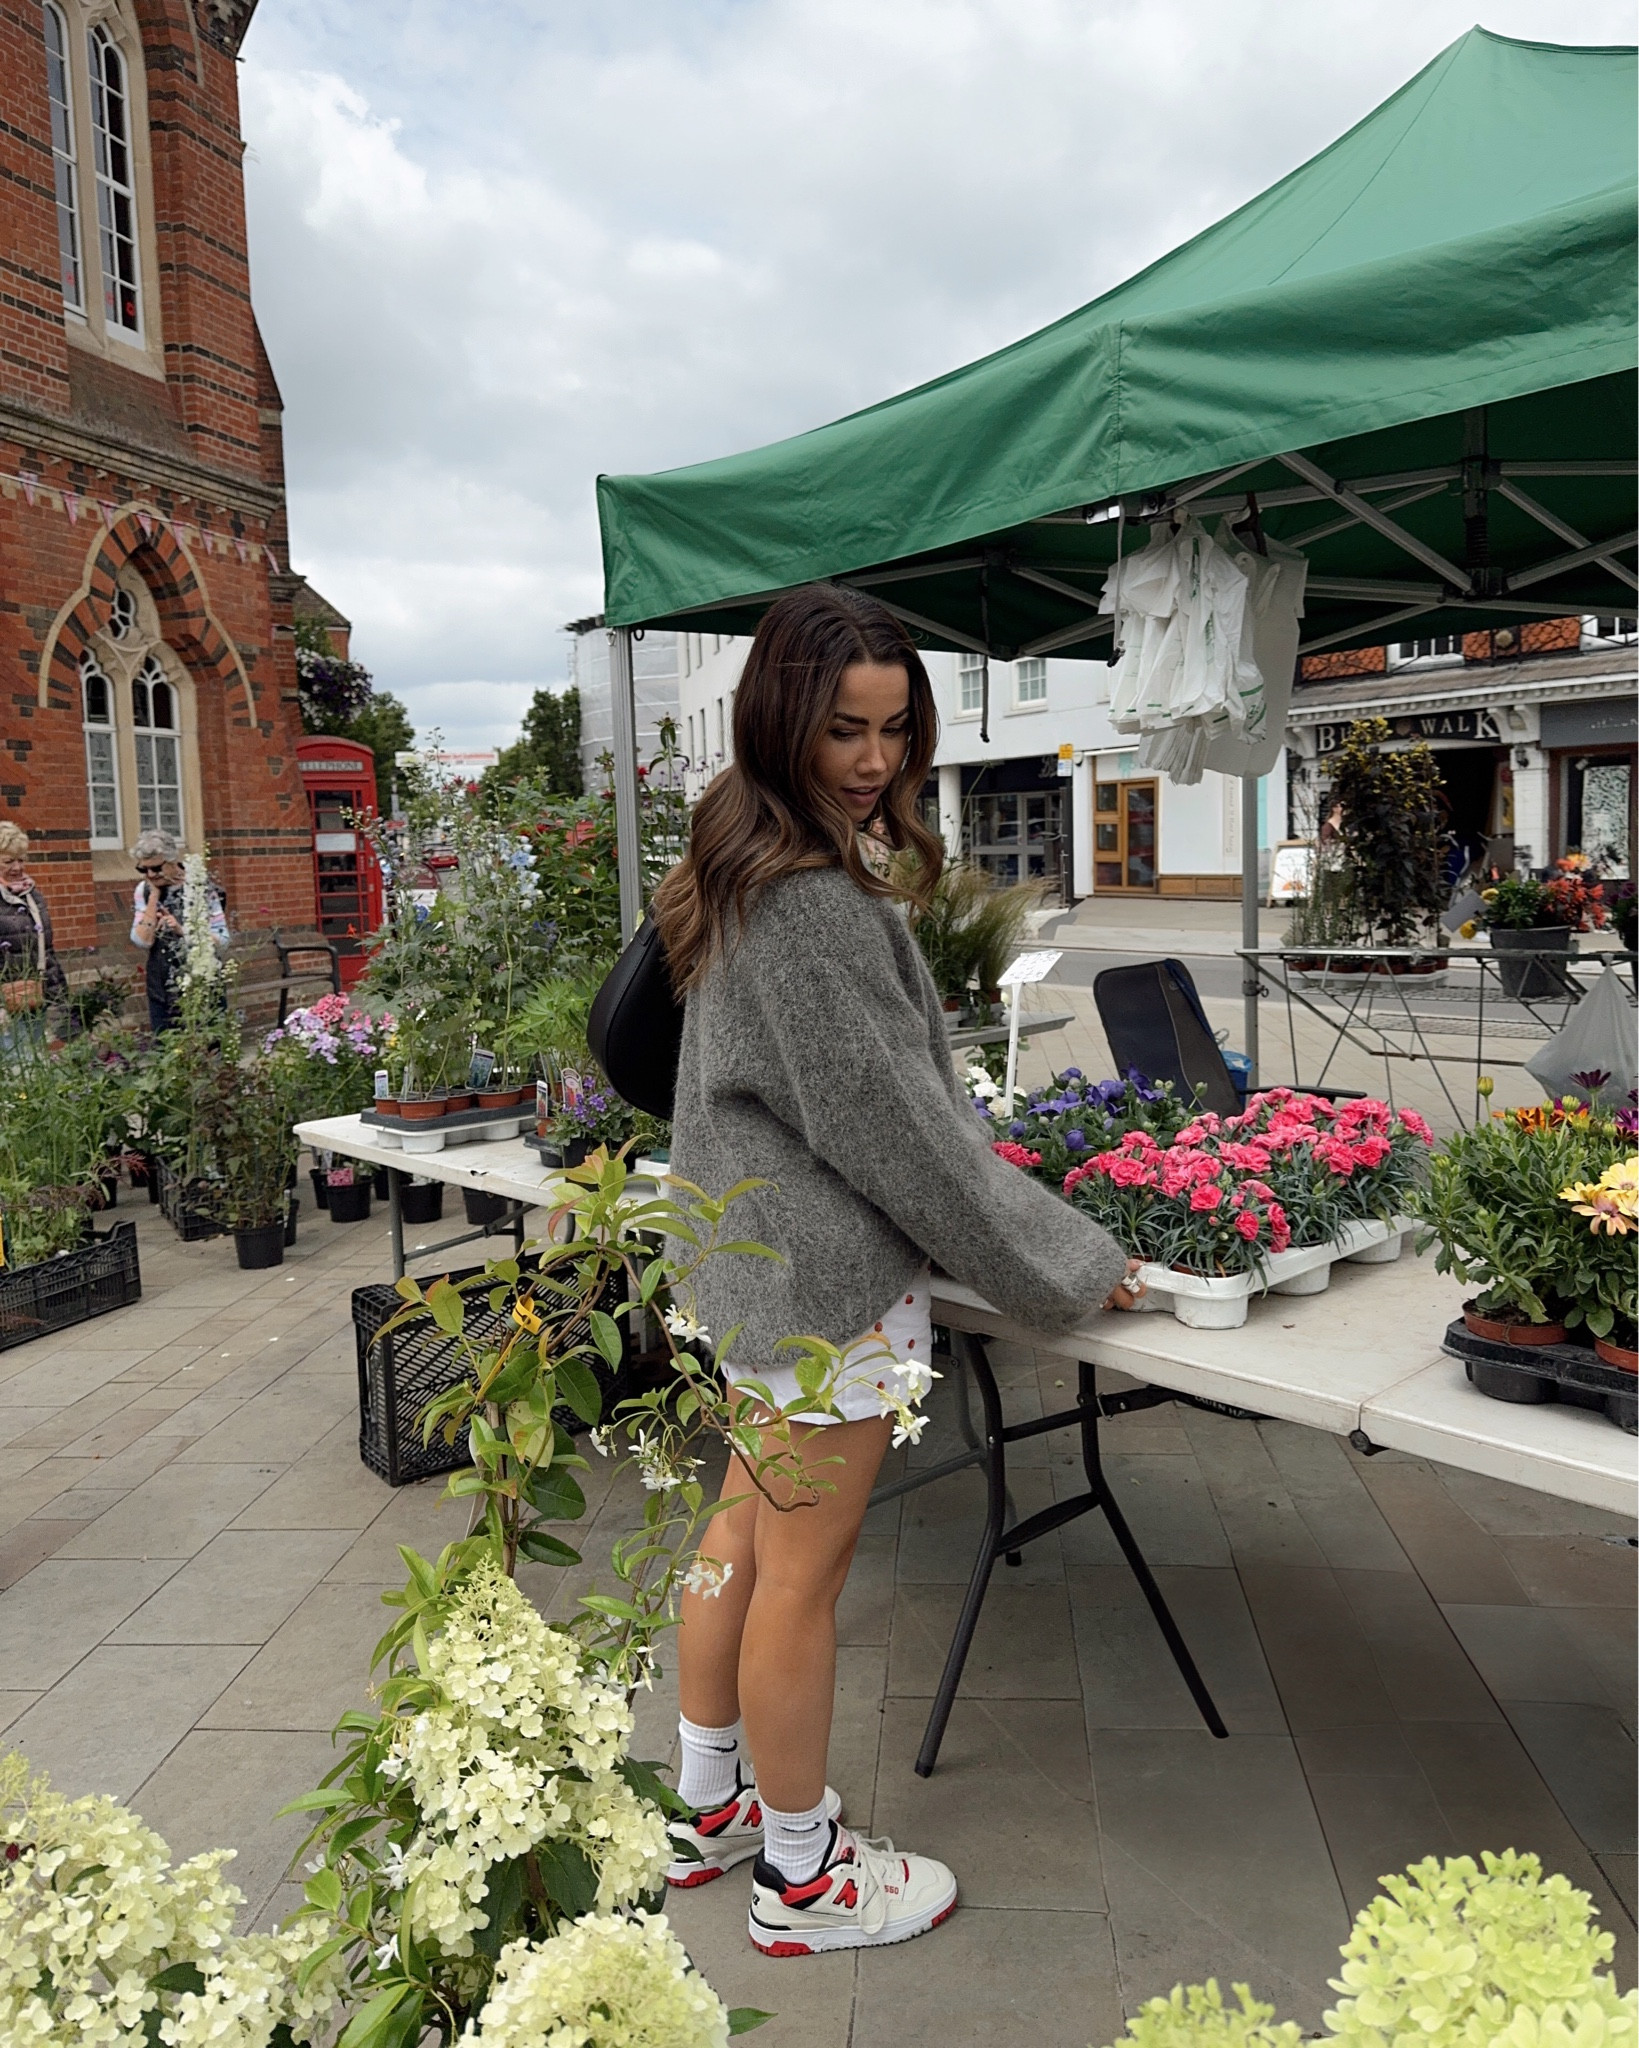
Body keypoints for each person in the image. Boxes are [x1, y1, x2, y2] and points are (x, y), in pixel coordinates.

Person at [651, 584, 1141, 1959]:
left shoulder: (737, 856)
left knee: (740, 1537)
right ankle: (801, 1881)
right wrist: (1066, 1257)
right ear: (777, 726)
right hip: (818, 1288)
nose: (873, 761)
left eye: (891, 728)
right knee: (797, 1577)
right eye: (841, 732)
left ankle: (710, 1808)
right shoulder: (806, 900)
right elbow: (906, 1146)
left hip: (753, 1269)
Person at [128, 828, 228, 1031]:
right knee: (166, 1049)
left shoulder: (201, 887)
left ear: (172, 861)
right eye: (143, 870)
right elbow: (141, 941)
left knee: (207, 1051)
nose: (150, 875)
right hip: (161, 986)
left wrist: (183, 932)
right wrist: (154, 896)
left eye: (156, 868)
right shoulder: (144, 890)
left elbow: (223, 938)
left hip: (201, 983)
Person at [0, 822, 67, 1040]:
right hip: (5, 1009)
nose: (17, 868)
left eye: (21, 860)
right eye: (8, 861)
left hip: (33, 1000)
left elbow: (45, 951)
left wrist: (62, 999)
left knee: (34, 1067)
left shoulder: (32, 896)